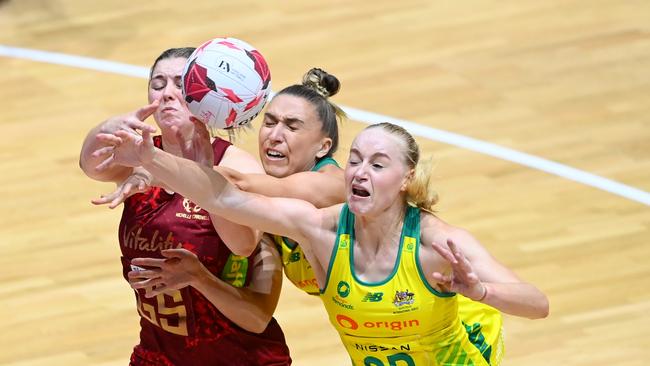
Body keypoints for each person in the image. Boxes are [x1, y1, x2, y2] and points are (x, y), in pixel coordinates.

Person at [104, 120, 550, 365]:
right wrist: (151, 157)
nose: (359, 171)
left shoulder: (439, 242)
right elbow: (224, 196)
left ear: (406, 178)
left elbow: (537, 303)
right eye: (355, 160)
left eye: (378, 164)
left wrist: (481, 292)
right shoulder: (320, 230)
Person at [79, 47, 291, 365]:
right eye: (158, 83)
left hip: (237, 355)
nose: (166, 93)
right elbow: (90, 165)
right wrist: (111, 124)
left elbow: (243, 244)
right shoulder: (140, 154)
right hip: (158, 353)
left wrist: (205, 180)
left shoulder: (234, 164)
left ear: (203, 95)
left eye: (179, 83)